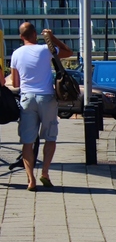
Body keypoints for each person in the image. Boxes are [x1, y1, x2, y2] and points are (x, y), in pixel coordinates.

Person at [10, 22, 72, 191]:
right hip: (46, 98)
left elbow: (15, 82)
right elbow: (68, 52)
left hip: (27, 99)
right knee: (50, 137)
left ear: (21, 37)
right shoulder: (45, 50)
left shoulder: (16, 54)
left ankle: (31, 180)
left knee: (28, 142)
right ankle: (45, 172)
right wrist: (52, 38)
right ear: (35, 34)